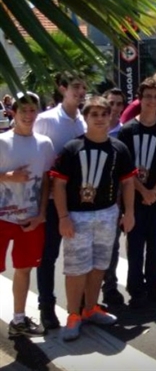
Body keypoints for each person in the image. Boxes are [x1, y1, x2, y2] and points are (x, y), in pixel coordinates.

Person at [51, 96, 136, 341]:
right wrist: (63, 217)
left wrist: (128, 213)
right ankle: (73, 315)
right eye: (94, 114)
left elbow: (128, 183)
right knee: (77, 268)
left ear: (111, 117)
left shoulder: (119, 148)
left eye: (104, 114)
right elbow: (58, 185)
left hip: (108, 214)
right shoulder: (72, 148)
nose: (100, 119)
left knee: (100, 265)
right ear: (85, 118)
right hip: (77, 216)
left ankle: (91, 308)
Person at [117, 78, 156, 307]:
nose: (152, 101)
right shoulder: (127, 130)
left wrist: (154, 190)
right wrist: (142, 190)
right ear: (140, 99)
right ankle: (136, 290)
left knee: (155, 242)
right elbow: (124, 168)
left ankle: (155, 285)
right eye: (148, 97)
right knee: (135, 243)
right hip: (133, 195)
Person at [34, 72, 87, 330]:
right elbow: (36, 162)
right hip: (52, 201)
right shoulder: (45, 120)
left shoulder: (85, 122)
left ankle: (81, 306)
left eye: (83, 88)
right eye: (75, 87)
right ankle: (46, 306)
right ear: (63, 88)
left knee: (80, 256)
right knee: (48, 256)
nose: (80, 92)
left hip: (81, 202)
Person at [0, 92, 55, 338]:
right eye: (23, 109)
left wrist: (42, 213)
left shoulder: (44, 143)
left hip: (30, 219)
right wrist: (6, 177)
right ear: (13, 112)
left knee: (24, 269)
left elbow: (45, 181)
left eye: (33, 110)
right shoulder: (2, 142)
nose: (28, 114)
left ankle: (19, 320)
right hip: (2, 218)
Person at [98, 87, 127, 306]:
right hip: (87, 201)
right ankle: (83, 297)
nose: (115, 108)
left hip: (115, 199)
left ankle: (109, 287)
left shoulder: (124, 132)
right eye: (112, 103)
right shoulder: (87, 129)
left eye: (119, 104)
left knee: (112, 247)